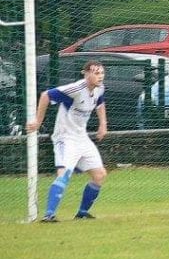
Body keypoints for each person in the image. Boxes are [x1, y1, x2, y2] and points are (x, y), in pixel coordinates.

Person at [26, 60, 108, 222]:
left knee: (99, 175)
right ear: (86, 74)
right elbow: (46, 95)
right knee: (64, 175)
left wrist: (103, 124)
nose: (100, 76)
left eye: (102, 73)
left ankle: (82, 213)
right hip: (65, 138)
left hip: (81, 138)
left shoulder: (99, 89)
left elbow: (100, 103)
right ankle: (49, 215)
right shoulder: (76, 89)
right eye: (96, 73)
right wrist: (37, 122)